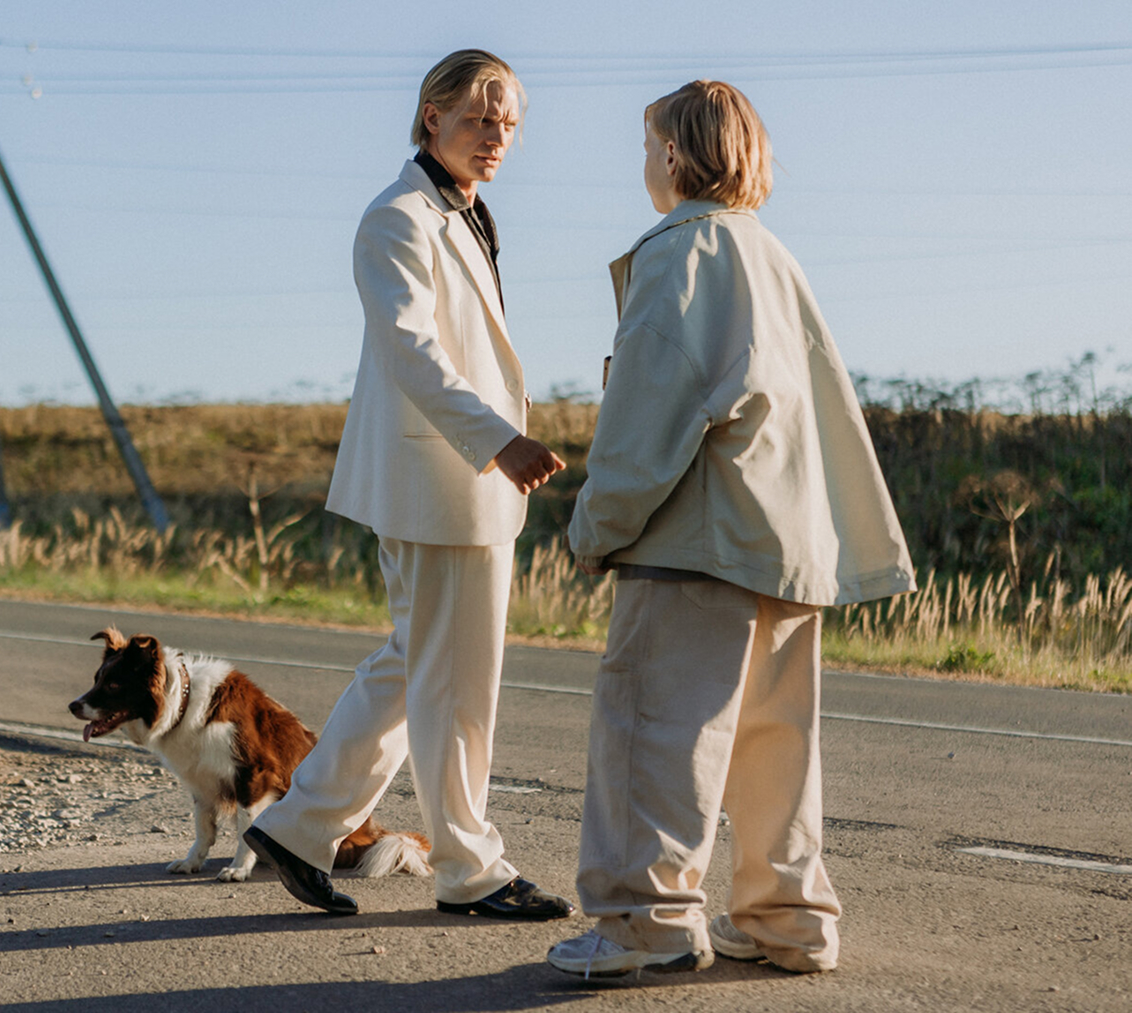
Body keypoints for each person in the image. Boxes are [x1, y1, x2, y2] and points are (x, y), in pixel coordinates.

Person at [545, 80, 916, 978]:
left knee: (653, 731)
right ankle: (787, 920)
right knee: (773, 745)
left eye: (649, 149)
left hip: (696, 541)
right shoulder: (773, 256)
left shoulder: (682, 251)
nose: (647, 165)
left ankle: (646, 922)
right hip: (790, 542)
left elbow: (652, 409)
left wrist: (595, 525)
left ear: (673, 155)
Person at [245, 49, 573, 921]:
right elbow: (412, 352)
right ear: (430, 116)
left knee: (411, 668)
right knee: (456, 685)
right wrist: (499, 440)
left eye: (508, 122)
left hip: (461, 487)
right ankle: (471, 870)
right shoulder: (397, 218)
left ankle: (298, 827)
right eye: (478, 118)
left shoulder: (463, 212)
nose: (496, 136)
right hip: (441, 482)